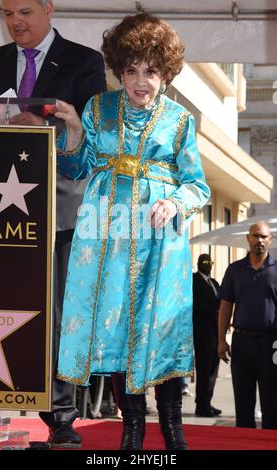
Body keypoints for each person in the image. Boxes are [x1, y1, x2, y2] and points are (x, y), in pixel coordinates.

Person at [53, 13, 210, 450]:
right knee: (119, 330)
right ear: (119, 70)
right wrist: (72, 133)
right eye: (132, 70)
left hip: (162, 242)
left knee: (161, 328)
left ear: (166, 71)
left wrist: (175, 201)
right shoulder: (98, 109)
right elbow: (77, 167)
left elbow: (197, 184)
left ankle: (174, 428)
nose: (141, 81)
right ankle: (132, 427)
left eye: (152, 71)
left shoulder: (180, 120)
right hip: (107, 242)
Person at [0, 0, 106, 447]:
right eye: (6, 12)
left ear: (48, 9)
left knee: (58, 314)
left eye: (24, 11)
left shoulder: (84, 62)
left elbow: (93, 135)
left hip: (60, 213)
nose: (15, 21)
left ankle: (60, 415)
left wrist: (42, 126)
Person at [218, 221, 277, 429]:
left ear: (270, 240)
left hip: (271, 345)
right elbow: (225, 306)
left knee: (272, 404)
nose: (259, 240)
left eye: (263, 236)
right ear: (248, 238)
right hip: (241, 343)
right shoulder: (235, 270)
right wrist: (221, 341)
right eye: (255, 236)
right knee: (243, 403)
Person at [193, 254, 221, 417]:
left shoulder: (214, 283)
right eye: (205, 262)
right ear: (198, 264)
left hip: (216, 334)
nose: (208, 265)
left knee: (213, 370)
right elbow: (196, 303)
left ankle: (208, 402)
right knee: (203, 370)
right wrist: (215, 314)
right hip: (202, 333)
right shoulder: (194, 281)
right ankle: (201, 405)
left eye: (210, 261)